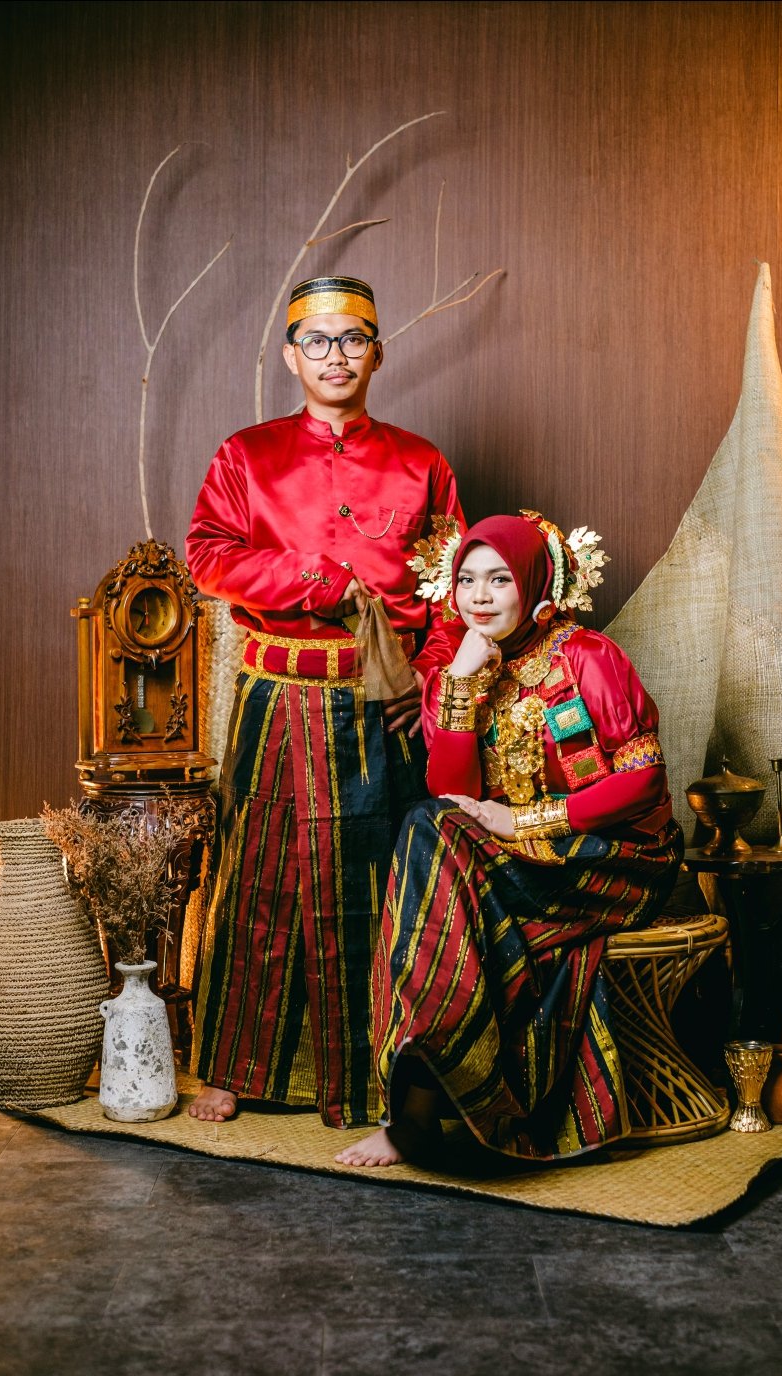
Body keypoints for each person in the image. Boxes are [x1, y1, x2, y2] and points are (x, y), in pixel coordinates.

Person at [185, 275, 464, 1126]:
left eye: (352, 339)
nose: (334, 355)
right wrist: (314, 578)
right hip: (275, 695)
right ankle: (233, 1066)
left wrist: (428, 679)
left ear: (377, 353)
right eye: (317, 340)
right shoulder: (246, 455)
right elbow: (207, 555)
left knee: (376, 882)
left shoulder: (421, 463)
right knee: (256, 879)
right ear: (290, 356)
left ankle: (371, 1076)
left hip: (379, 702)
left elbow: (455, 589)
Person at [336, 510, 684, 1166]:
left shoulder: (587, 657)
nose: (480, 596)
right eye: (467, 580)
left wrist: (524, 822)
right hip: (523, 861)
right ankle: (430, 1096)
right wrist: (460, 685)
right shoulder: (459, 672)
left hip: (617, 860)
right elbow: (451, 793)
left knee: (435, 867)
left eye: (500, 579)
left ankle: (417, 1112)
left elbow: (643, 782)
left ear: (535, 584)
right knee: (428, 830)